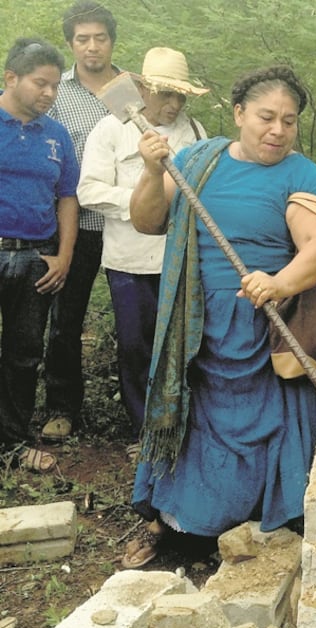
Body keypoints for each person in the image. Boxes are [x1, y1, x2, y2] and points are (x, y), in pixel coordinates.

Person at [123, 66, 316, 567]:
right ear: (239, 114)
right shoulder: (197, 160)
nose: (278, 130)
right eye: (267, 117)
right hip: (194, 325)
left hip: (267, 324)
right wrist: (152, 171)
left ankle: (271, 521)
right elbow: (147, 220)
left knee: (272, 424)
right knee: (197, 423)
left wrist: (279, 282)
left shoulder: (301, 174)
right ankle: (187, 526)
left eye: (289, 121)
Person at [76, 47, 207, 458]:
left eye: (180, 96)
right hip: (129, 261)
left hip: (181, 259)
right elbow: (89, 190)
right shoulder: (111, 129)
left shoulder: (195, 132)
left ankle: (182, 428)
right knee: (136, 346)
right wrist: (143, 201)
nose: (174, 104)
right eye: (166, 94)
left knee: (184, 346)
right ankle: (143, 432)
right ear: (144, 89)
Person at [41, 1, 121, 441]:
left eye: (100, 38)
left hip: (130, 226)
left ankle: (140, 409)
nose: (92, 47)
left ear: (112, 41)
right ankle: (62, 406)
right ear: (71, 44)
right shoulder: (58, 92)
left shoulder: (131, 88)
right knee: (65, 320)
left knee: (138, 321)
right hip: (76, 225)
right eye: (83, 39)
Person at [0, 38, 79, 472]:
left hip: (36, 259)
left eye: (54, 86)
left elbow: (67, 197)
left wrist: (64, 256)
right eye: (40, 83)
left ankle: (12, 444)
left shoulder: (56, 135)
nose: (49, 93)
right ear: (11, 78)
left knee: (23, 355)